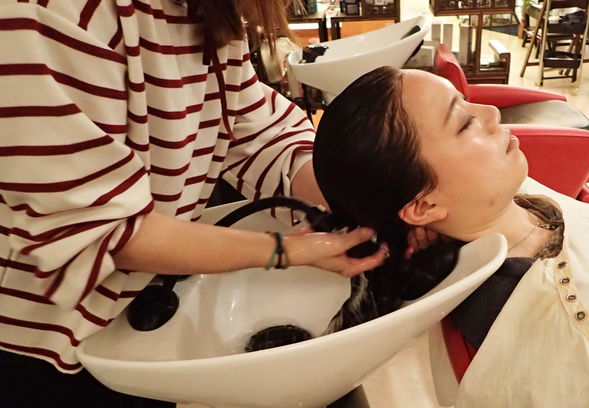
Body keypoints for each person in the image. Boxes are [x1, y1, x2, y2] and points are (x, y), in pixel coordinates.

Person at [0, 1, 387, 406]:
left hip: (136, 319)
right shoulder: (54, 11)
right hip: (42, 342)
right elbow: (101, 228)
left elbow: (259, 130)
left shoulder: (205, 12)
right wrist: (284, 250)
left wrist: (355, 201)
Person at [312, 66, 589, 407]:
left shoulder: (505, 201)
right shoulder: (558, 326)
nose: (491, 113)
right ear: (424, 206)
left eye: (466, 101)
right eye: (464, 123)